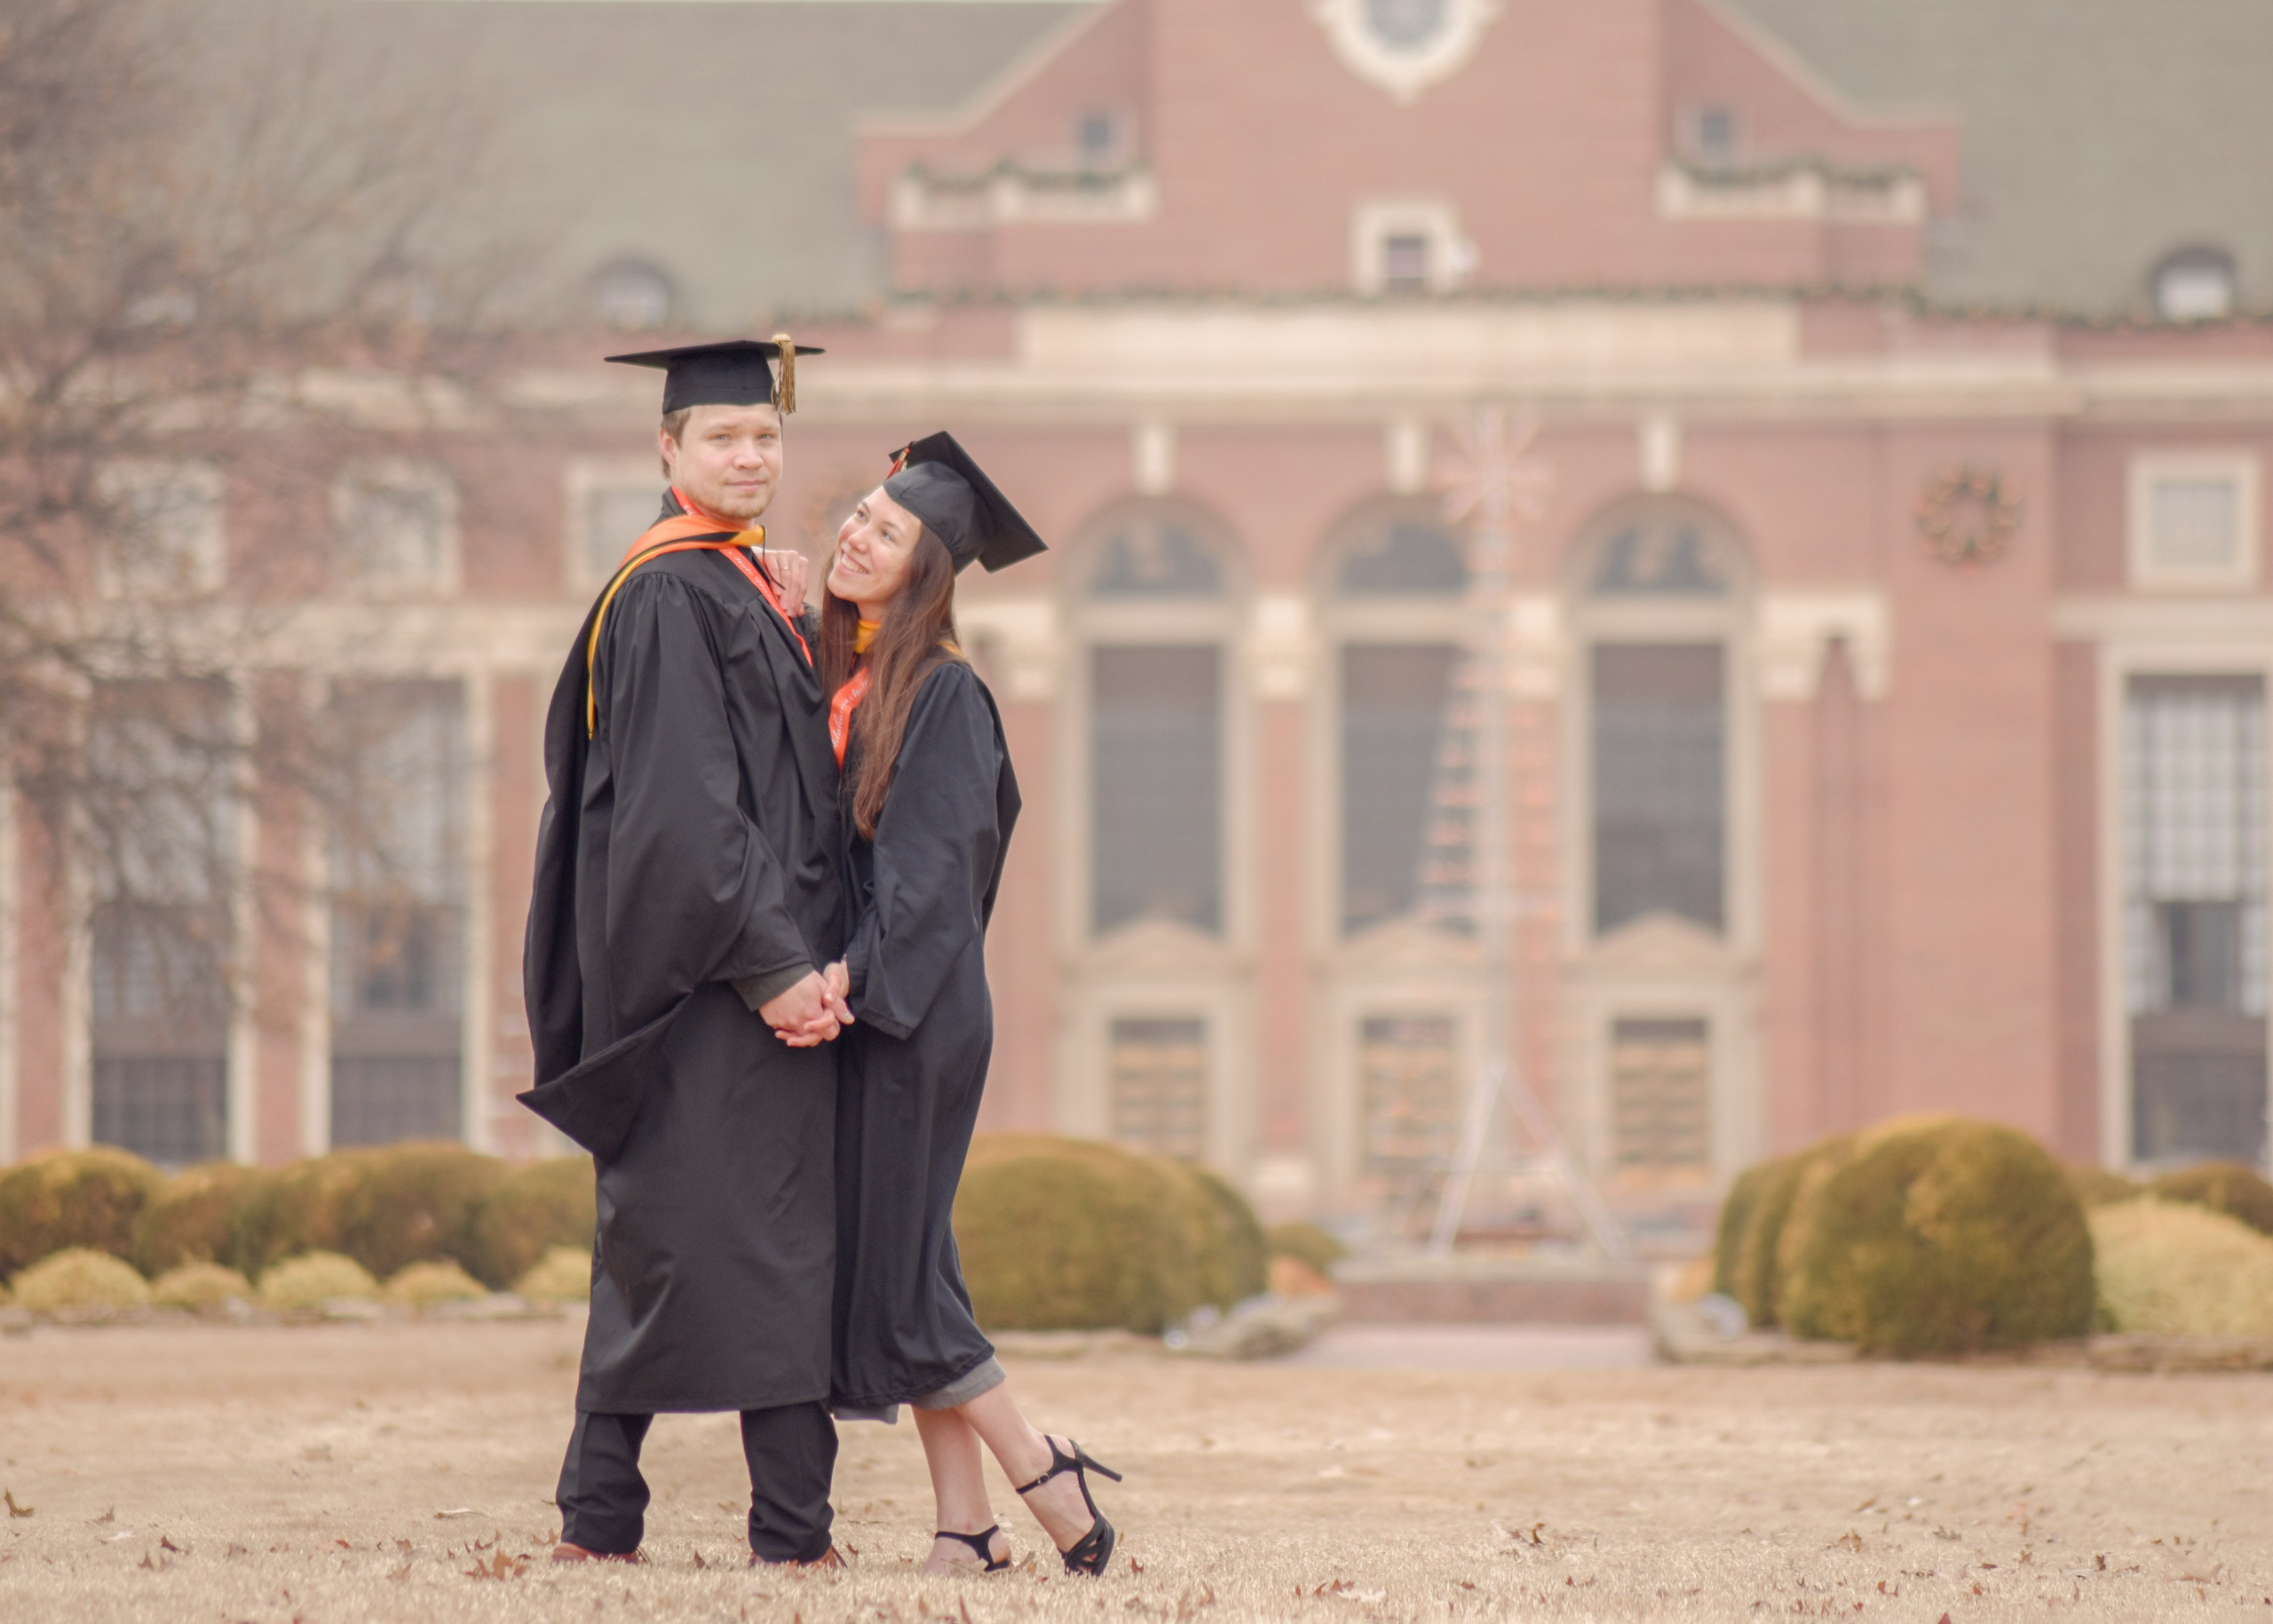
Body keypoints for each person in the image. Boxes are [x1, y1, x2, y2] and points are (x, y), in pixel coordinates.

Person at [519, 337, 856, 1569]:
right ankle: (776, 1533)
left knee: (681, 1243)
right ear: (666, 449)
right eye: (724, 436)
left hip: (746, 971)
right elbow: (683, 808)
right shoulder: (669, 592)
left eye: (766, 435)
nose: (751, 454)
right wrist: (775, 967)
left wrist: (812, 620)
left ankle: (614, 1521)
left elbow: (783, 779)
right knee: (736, 1243)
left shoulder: (736, 583)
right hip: (710, 982)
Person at [821, 432, 1125, 1579]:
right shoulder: (852, 679)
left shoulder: (946, 696)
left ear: (925, 573)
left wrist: (854, 978)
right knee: (917, 1261)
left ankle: (1048, 1473)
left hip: (916, 1011)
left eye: (886, 531)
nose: (857, 532)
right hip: (874, 1007)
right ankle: (966, 1526)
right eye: (858, 513)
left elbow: (933, 880)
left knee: (897, 1276)